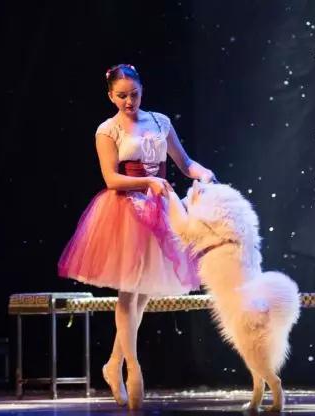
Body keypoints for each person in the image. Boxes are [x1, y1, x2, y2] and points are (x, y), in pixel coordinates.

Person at [58, 63, 216, 409]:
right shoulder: (107, 130)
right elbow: (111, 179)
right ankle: (133, 368)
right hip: (126, 212)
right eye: (122, 96)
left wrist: (203, 173)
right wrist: (147, 181)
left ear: (142, 91)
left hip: (160, 211)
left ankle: (112, 364)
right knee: (129, 292)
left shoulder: (160, 122)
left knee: (142, 294)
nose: (129, 101)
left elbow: (184, 162)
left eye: (134, 94)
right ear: (110, 96)